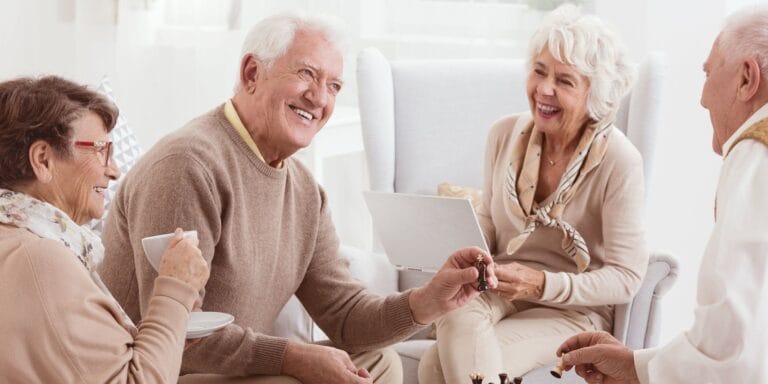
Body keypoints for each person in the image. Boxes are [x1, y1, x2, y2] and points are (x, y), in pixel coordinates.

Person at [99, 12, 496, 384]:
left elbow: (345, 315)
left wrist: (428, 300)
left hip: (223, 371)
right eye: (307, 73)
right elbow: (179, 333)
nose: (320, 98)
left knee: (377, 361)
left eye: (334, 86)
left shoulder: (305, 192)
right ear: (252, 73)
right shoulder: (188, 165)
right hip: (160, 373)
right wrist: (294, 357)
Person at [417, 4, 648, 382]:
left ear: (596, 94)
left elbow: (625, 277)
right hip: (499, 290)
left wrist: (542, 284)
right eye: (539, 72)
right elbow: (491, 222)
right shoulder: (503, 135)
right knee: (457, 309)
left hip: (571, 309)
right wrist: (459, 245)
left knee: (435, 365)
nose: (544, 89)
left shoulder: (619, 161)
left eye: (565, 80)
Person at [557, 6, 768, 384]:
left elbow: (732, 346)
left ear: (747, 79)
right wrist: (637, 365)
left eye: (707, 72)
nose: (702, 97)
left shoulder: (757, 153)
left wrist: (644, 372)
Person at [0, 76, 210, 383]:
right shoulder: (40, 258)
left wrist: (172, 329)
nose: (114, 170)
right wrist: (174, 292)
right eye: (100, 150)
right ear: (43, 159)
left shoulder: (17, 242)